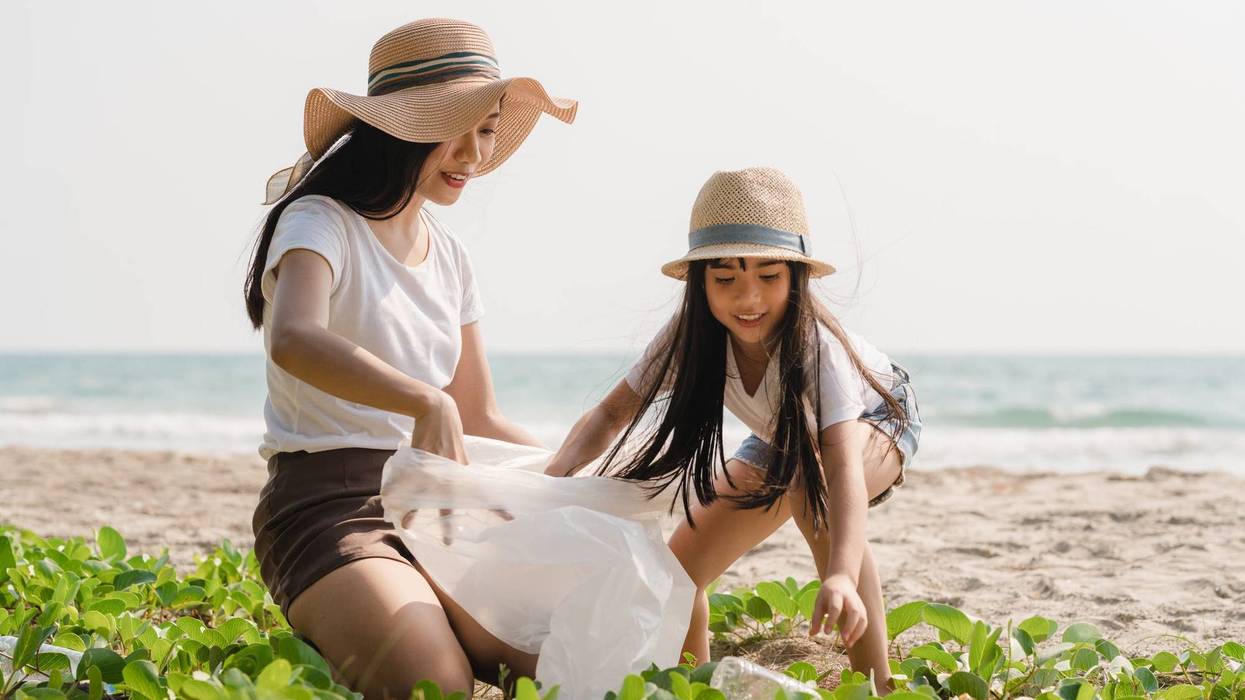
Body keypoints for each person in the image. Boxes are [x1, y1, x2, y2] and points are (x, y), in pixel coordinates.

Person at [242, 18, 575, 699]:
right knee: (437, 683)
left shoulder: (450, 256)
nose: (473, 154)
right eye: (454, 128)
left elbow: (479, 415)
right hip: (328, 506)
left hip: (443, 506)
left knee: (569, 658)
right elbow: (292, 337)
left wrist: (580, 471)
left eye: (486, 129)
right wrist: (423, 400)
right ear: (397, 127)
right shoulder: (320, 221)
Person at [543, 167, 921, 691]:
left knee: (810, 484)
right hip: (782, 438)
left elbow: (839, 462)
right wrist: (556, 476)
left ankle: (876, 683)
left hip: (876, 417)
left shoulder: (817, 348)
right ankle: (698, 683)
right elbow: (610, 415)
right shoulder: (688, 339)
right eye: (726, 280)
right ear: (701, 283)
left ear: (796, 276)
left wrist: (839, 573)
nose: (748, 300)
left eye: (769, 277)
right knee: (677, 576)